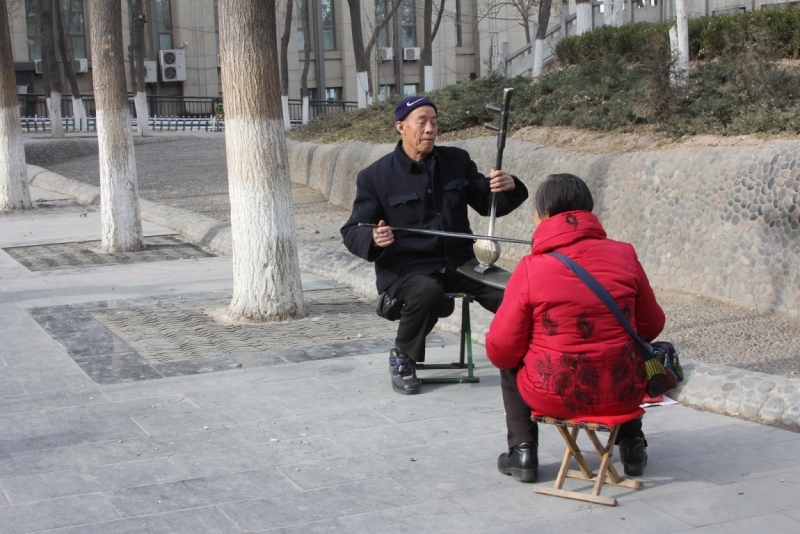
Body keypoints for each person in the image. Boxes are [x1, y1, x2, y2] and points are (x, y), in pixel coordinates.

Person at [341, 95, 529, 395]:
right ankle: (403, 356)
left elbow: (487, 203)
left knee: (515, 293)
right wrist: (374, 239)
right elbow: (353, 229)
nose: (430, 128)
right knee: (427, 291)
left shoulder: (457, 161)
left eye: (434, 122)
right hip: (408, 268)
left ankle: (531, 357)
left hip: (462, 262)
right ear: (401, 127)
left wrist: (509, 187)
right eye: (422, 122)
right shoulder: (375, 177)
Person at [485, 174, 665, 482]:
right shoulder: (625, 254)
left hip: (559, 393)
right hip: (625, 390)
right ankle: (633, 445)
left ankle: (523, 452)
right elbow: (652, 326)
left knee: (509, 364)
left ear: (542, 215)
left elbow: (501, 350)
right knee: (625, 353)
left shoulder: (532, 267)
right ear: (589, 210)